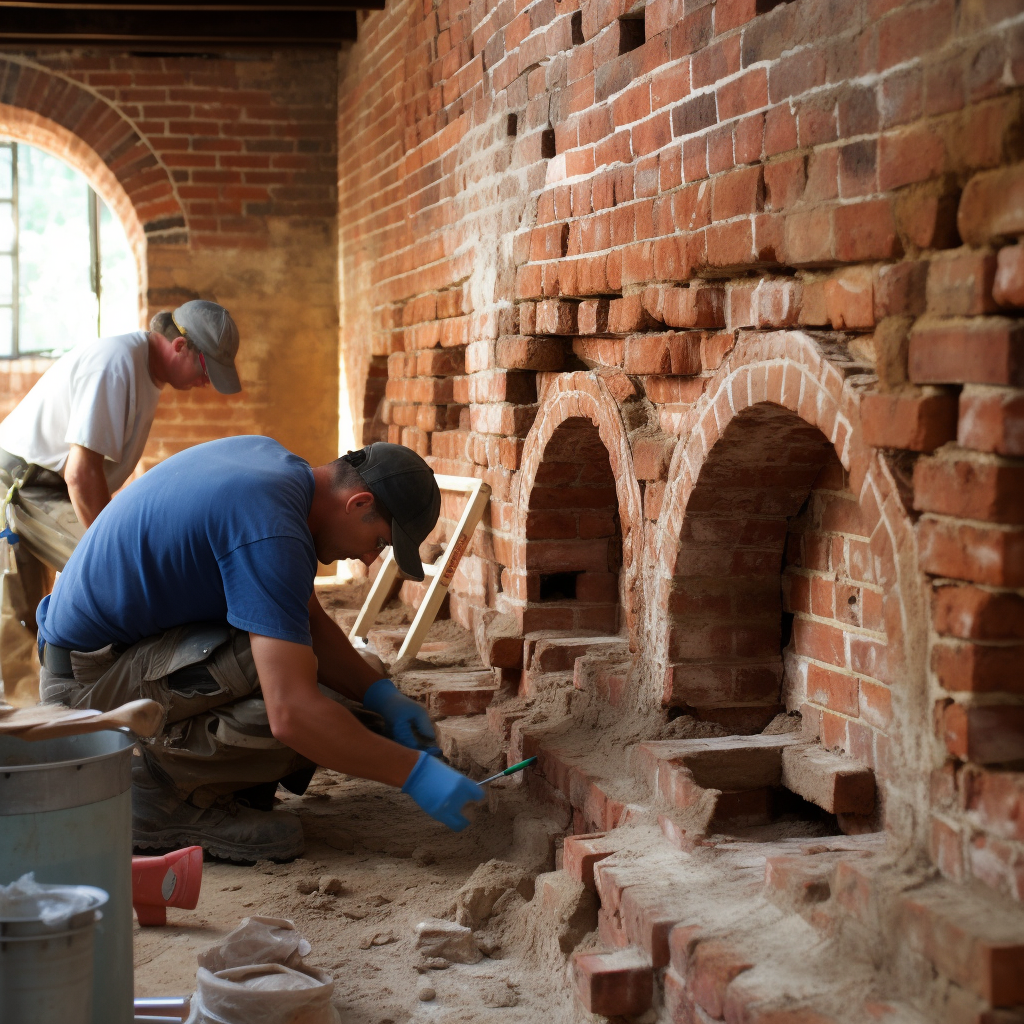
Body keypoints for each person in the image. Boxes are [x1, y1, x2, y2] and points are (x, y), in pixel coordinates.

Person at [36, 436, 485, 861]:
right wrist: (414, 775)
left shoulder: (279, 473)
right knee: (298, 703)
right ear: (359, 504)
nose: (370, 559)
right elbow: (291, 716)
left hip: (121, 657)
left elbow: (305, 617)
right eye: (380, 543)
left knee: (346, 685)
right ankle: (158, 794)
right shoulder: (270, 527)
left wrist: (381, 696)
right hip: (84, 694)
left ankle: (209, 775)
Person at [0, 300, 241, 702]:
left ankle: (71, 702)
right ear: (179, 346)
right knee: (79, 591)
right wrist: (112, 547)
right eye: (205, 369)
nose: (206, 382)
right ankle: (28, 729)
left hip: (51, 485)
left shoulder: (143, 372)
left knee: (109, 578)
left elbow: (93, 474)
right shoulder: (116, 363)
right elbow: (81, 473)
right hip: (23, 484)